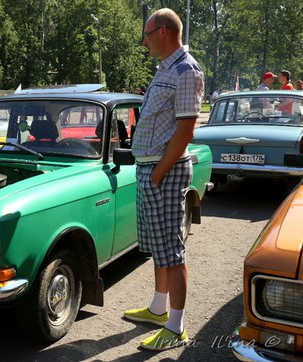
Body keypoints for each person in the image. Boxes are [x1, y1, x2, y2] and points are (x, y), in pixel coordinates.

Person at [125, 8, 204, 351]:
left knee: (172, 250)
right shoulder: (167, 68)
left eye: (146, 34)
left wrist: (157, 173)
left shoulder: (186, 70)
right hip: (153, 169)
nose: (144, 42)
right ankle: (159, 309)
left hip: (165, 172)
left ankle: (176, 326)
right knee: (159, 246)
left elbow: (186, 130)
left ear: (164, 32)